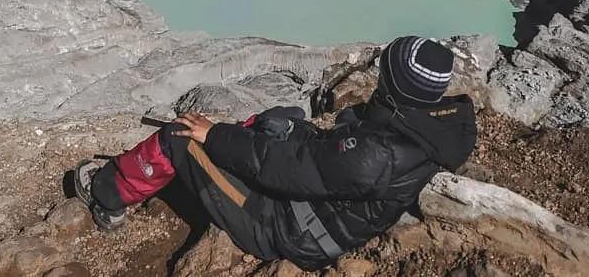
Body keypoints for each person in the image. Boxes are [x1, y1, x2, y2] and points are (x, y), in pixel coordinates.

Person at [73, 35, 477, 272]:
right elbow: (327, 161)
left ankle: (106, 195)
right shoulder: (425, 126)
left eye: (385, 71)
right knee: (284, 119)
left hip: (286, 227)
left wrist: (214, 135)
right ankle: (219, 149)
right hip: (316, 205)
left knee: (181, 135)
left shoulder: (376, 155)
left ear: (394, 84)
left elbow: (277, 167)